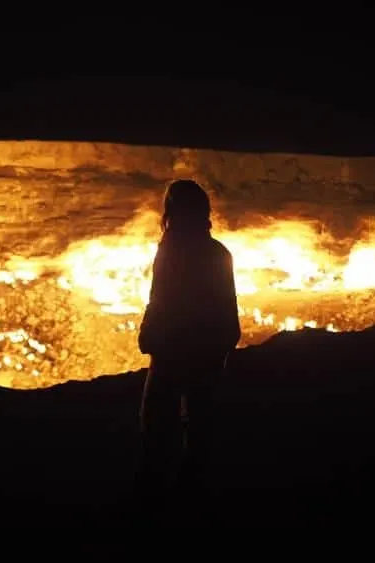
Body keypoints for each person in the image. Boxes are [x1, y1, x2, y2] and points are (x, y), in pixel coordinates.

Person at [136, 179, 241, 506]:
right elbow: (228, 306)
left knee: (156, 423)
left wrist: (149, 335)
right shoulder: (219, 253)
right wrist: (224, 344)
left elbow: (161, 299)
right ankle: (194, 497)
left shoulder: (170, 250)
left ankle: (158, 499)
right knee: (201, 428)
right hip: (207, 352)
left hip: (172, 351)